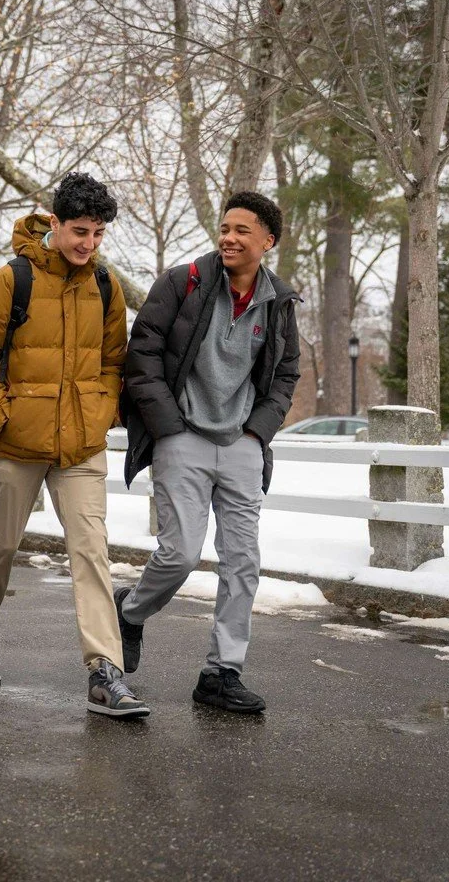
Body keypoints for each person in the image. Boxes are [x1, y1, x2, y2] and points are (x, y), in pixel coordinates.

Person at [0, 172, 148, 718]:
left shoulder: (105, 286)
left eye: (98, 234)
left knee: (91, 549)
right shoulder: (7, 281)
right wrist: (3, 412)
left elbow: (114, 361)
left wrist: (102, 409)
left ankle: (104, 670)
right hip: (17, 440)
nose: (88, 243)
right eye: (80, 231)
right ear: (54, 224)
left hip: (82, 443)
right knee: (2, 541)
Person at [117, 191, 302, 714]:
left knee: (243, 562)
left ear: (267, 241)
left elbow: (286, 375)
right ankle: (130, 611)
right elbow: (143, 354)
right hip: (183, 436)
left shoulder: (279, 303)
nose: (229, 237)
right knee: (179, 553)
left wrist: (257, 432)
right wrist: (167, 428)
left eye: (243, 230)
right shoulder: (184, 283)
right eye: (225, 228)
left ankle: (221, 674)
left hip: (242, 442)